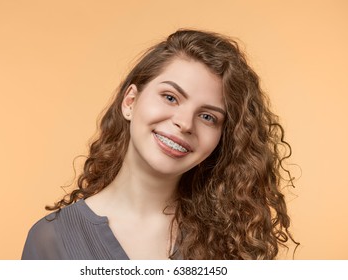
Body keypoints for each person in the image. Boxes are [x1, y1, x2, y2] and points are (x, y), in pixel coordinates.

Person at [21, 29, 298, 260]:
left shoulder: (231, 242)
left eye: (207, 116)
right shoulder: (52, 240)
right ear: (130, 102)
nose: (185, 123)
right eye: (170, 97)